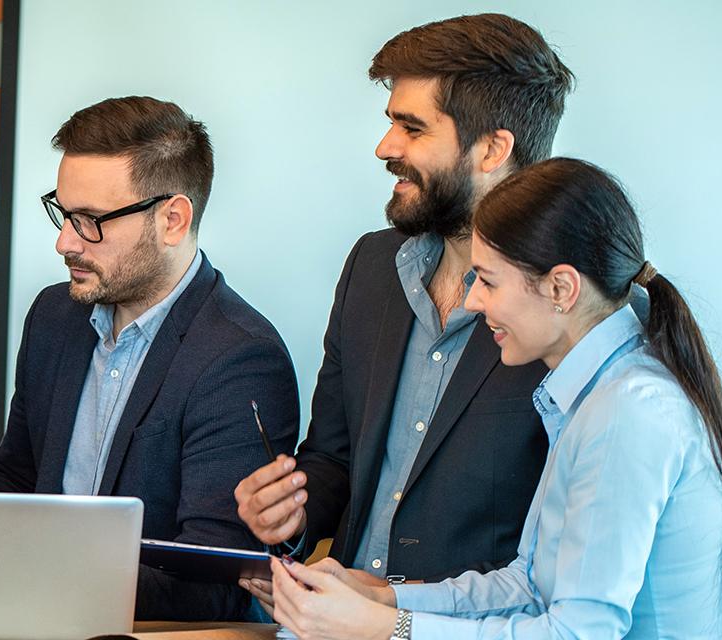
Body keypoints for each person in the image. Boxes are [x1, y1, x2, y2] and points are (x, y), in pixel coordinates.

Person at [254, 157, 722, 640]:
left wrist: (386, 629)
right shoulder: (593, 393)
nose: (474, 301)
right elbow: (527, 586)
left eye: (486, 281)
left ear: (561, 289)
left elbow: (578, 632)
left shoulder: (628, 410)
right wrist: (379, 596)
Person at [235, 13, 574, 587]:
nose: (384, 147)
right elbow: (334, 459)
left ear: (492, 149)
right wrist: (288, 513)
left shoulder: (567, 305)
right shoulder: (371, 266)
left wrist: (397, 610)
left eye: (412, 129)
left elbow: (562, 560)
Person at [0, 96, 301, 622]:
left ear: (173, 219)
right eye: (62, 212)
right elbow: (16, 479)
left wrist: (37, 579)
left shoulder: (240, 358)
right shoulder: (54, 317)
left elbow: (214, 581)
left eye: (90, 221)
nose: (65, 242)